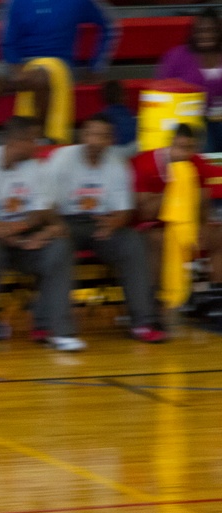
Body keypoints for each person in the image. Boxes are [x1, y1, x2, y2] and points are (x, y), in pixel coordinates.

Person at [0, 115, 84, 355]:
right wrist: (19, 238)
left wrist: (40, 233)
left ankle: (59, 331)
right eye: (33, 139)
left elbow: (41, 211)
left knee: (59, 248)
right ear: (16, 141)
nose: (38, 145)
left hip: (15, 238)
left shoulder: (35, 167)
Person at [46, 114, 165, 342]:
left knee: (133, 242)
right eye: (92, 134)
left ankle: (143, 322)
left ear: (110, 139)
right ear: (83, 135)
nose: (96, 140)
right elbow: (46, 205)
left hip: (101, 223)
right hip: (64, 221)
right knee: (57, 246)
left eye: (102, 136)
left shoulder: (117, 164)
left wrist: (113, 224)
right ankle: (50, 324)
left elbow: (124, 211)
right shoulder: (62, 159)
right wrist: (57, 227)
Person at [0, 0, 119, 149]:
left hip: (57, 63)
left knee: (40, 78)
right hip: (18, 60)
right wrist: (16, 66)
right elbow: (6, 40)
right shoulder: (14, 2)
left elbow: (109, 25)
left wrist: (96, 67)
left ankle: (40, 140)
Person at [132, 124, 222, 317]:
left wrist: (202, 229)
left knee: (218, 236)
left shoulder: (196, 163)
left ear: (196, 148)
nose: (184, 154)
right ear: (170, 144)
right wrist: (175, 186)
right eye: (179, 147)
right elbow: (144, 212)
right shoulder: (146, 162)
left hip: (185, 224)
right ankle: (153, 298)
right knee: (158, 239)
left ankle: (215, 297)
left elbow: (203, 204)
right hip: (152, 225)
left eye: (189, 148)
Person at [155, 8, 222, 153]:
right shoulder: (177, 57)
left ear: (218, 32)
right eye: (201, 31)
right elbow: (160, 89)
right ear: (194, 33)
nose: (206, 35)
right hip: (190, 120)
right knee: (205, 146)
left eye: (211, 30)